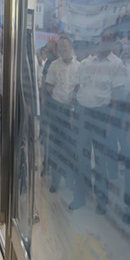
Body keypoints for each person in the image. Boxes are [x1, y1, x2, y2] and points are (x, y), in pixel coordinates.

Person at [70, 27, 126, 214]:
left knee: (101, 162)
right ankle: (80, 196)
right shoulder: (86, 63)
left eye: (109, 38)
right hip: (83, 112)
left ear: (114, 42)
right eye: (103, 38)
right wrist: (73, 112)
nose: (105, 41)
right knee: (81, 157)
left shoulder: (117, 65)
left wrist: (110, 124)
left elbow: (116, 99)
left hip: (102, 115)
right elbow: (77, 89)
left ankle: (102, 202)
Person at [44, 37, 79, 193]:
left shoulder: (79, 66)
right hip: (57, 110)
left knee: (71, 148)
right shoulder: (54, 65)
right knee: (56, 147)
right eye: (61, 48)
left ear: (71, 48)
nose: (64, 50)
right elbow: (49, 87)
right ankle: (56, 182)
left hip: (72, 111)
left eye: (66, 47)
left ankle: (70, 181)